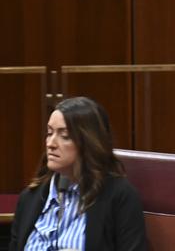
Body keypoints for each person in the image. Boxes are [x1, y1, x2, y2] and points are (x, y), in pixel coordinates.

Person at [9, 97, 146, 251]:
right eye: (49, 133)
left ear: (89, 142)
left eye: (65, 136)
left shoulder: (119, 196)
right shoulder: (30, 198)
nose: (51, 143)